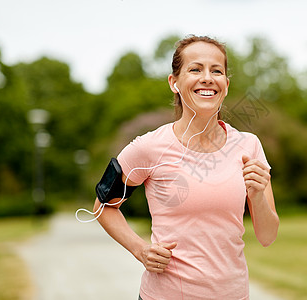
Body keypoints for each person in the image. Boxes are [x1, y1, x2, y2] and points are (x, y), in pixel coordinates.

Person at [93, 35, 279, 300]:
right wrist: (140, 250)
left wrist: (258, 194)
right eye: (195, 69)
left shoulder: (249, 146)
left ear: (226, 84)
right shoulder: (148, 147)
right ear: (174, 82)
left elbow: (268, 236)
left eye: (216, 71)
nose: (207, 78)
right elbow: (103, 205)